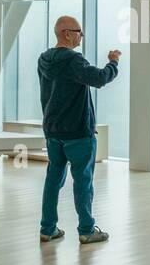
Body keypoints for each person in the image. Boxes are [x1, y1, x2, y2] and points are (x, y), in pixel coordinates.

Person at [37, 16, 120, 244]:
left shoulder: (44, 59)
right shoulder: (73, 60)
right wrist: (113, 62)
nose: (81, 36)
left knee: (53, 179)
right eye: (78, 32)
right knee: (83, 181)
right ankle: (86, 230)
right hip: (77, 132)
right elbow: (100, 78)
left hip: (53, 131)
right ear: (66, 33)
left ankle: (47, 228)